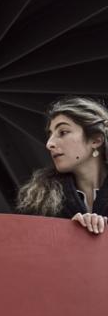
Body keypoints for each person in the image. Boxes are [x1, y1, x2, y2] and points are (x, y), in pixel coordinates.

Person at [17, 96, 108, 234]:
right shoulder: (39, 201)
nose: (49, 144)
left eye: (63, 132)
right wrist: (65, 233)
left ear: (96, 140)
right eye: (50, 134)